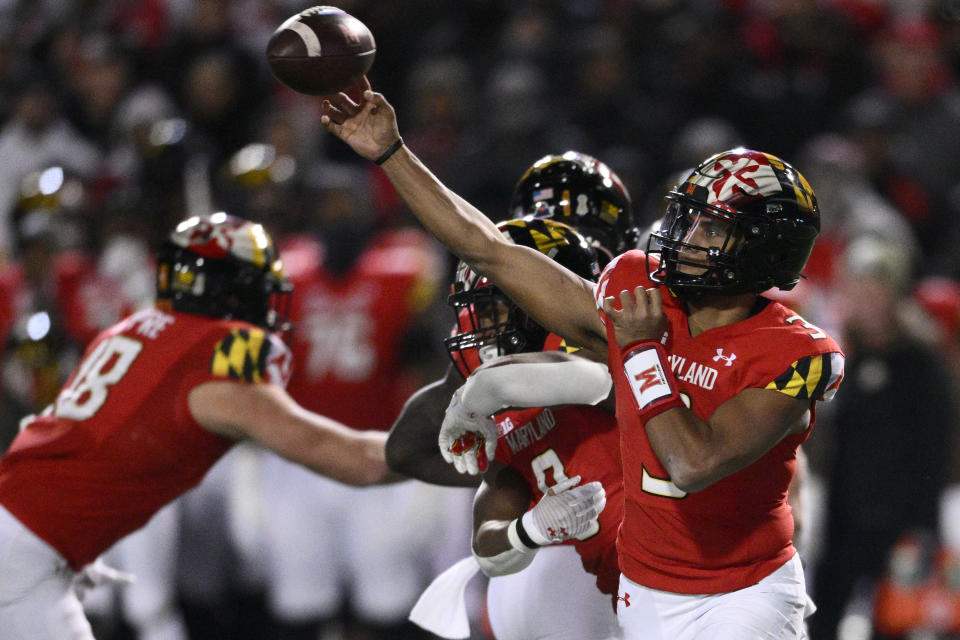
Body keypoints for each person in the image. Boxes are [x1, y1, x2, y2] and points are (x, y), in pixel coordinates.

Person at [320, 80, 845, 639]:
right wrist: (391, 154)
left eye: (711, 228)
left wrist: (641, 347)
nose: (686, 237)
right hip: (639, 588)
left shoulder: (798, 354)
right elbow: (489, 249)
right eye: (689, 218)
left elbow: (692, 463)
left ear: (765, 249)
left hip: (742, 590)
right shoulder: (638, 288)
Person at [0, 212, 401, 640]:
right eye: (257, 285)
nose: (267, 300)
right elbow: (351, 459)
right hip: (27, 555)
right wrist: (450, 451)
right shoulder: (219, 350)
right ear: (231, 288)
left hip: (23, 532)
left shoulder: (133, 326)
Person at [394, 216, 626, 640]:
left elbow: (596, 380)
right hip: (613, 577)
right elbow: (489, 546)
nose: (482, 321)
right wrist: (530, 529)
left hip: (689, 562)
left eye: (498, 302)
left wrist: (474, 394)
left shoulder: (595, 341)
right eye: (479, 306)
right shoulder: (492, 393)